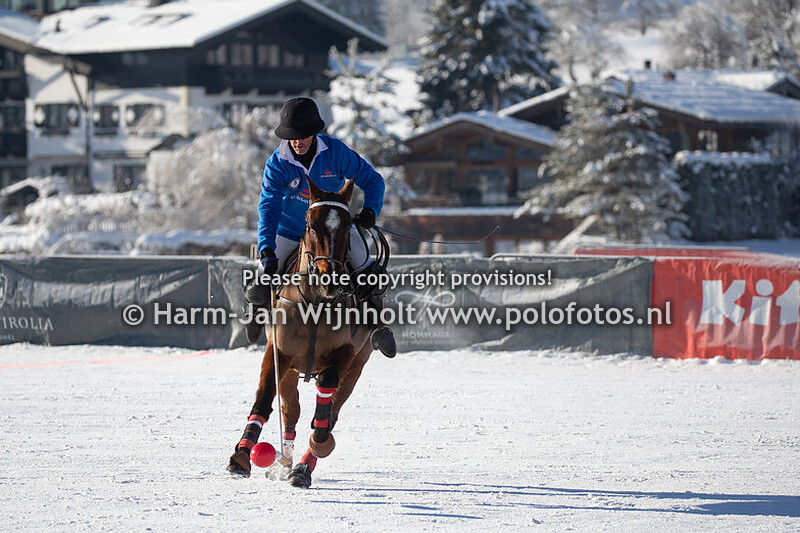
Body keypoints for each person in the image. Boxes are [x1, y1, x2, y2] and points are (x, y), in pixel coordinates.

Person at [243, 97, 396, 358]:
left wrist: (371, 209)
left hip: (332, 234)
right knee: (259, 281)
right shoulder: (277, 162)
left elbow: (372, 179)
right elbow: (268, 206)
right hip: (289, 232)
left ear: (314, 133)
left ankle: (378, 327)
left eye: (303, 136)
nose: (297, 141)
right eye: (292, 136)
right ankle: (257, 312)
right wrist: (267, 247)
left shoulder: (335, 152)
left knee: (368, 272)